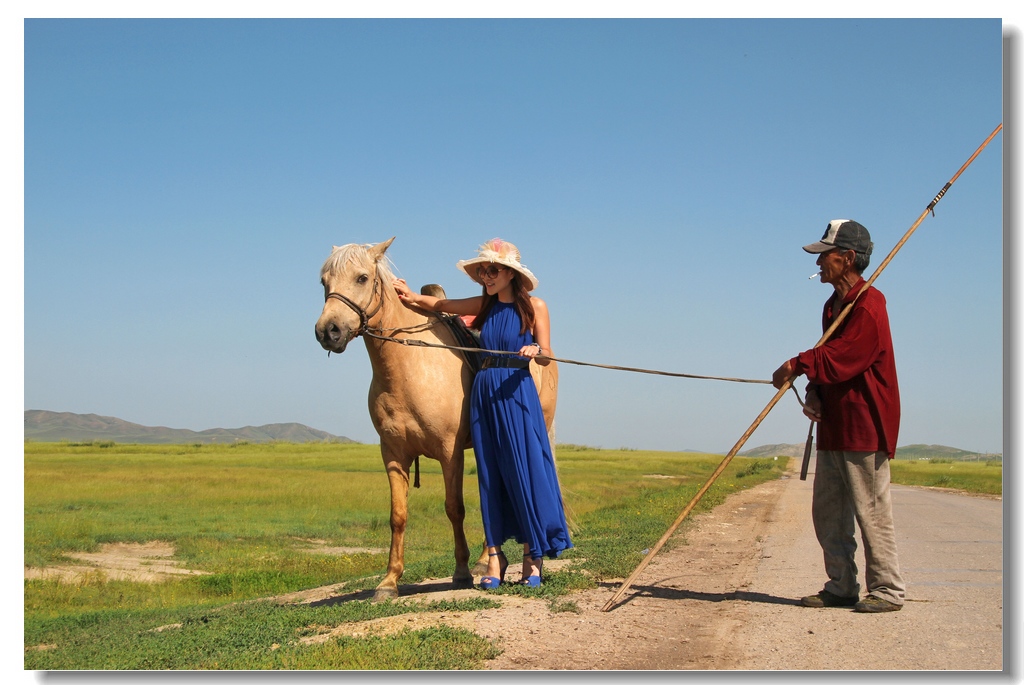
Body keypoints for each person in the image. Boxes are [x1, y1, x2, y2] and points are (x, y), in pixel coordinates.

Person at [393, 238, 572, 588]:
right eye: (483, 271)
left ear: (510, 273)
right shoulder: (484, 306)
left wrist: (536, 349)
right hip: (486, 390)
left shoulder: (536, 306)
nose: (486, 276)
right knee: (490, 474)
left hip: (517, 389)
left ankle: (532, 558)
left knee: (525, 471)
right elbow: (442, 303)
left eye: (493, 270)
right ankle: (494, 557)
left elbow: (548, 353)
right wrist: (410, 295)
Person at [771, 219, 906, 613]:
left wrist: (796, 363)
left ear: (847, 258)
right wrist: (813, 391)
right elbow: (829, 367)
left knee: (871, 512)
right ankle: (842, 585)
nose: (820, 263)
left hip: (864, 426)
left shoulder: (869, 303)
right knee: (828, 513)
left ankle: (887, 590)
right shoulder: (834, 306)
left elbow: (846, 358)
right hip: (833, 425)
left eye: (825, 255)